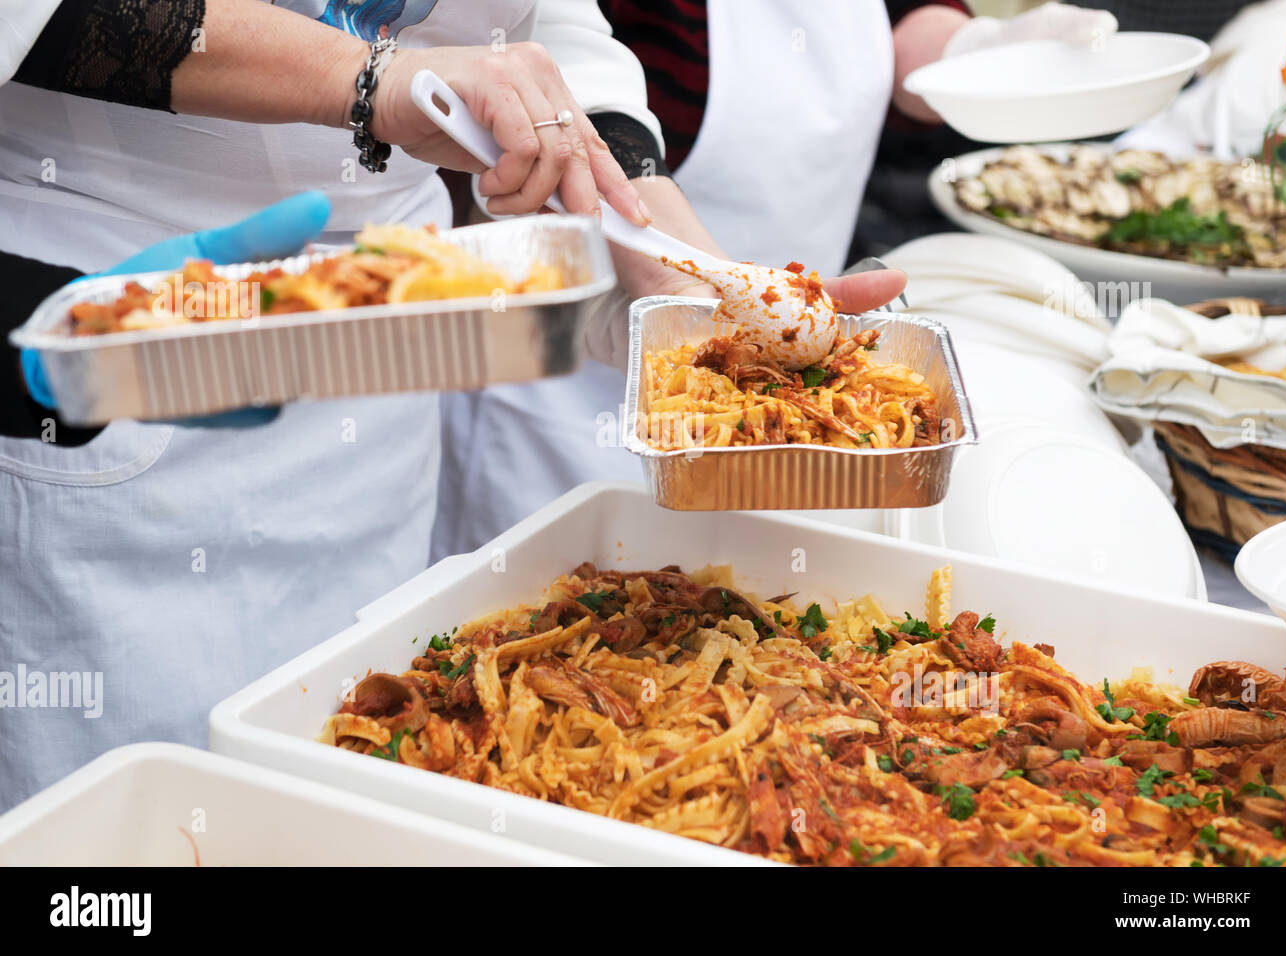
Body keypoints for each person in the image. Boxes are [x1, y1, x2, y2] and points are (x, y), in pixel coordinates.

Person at [0, 0, 904, 810]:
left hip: (393, 336)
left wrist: (678, 266)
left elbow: (530, 28)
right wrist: (372, 81)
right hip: (108, 309)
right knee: (140, 825)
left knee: (355, 782)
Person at [432, 0, 1118, 557]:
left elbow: (893, 25)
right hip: (576, 380)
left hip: (785, 405)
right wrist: (690, 297)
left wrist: (974, 51)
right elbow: (566, 80)